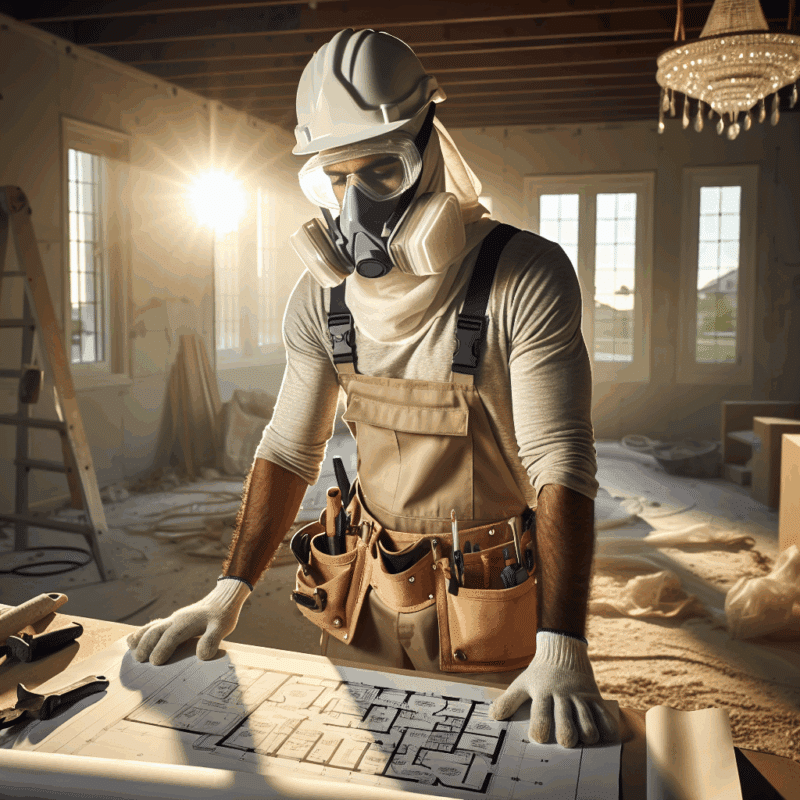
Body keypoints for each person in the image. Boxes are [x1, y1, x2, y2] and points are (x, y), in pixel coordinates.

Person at [127, 28, 619, 750]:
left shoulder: (524, 276)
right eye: (334, 176)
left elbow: (561, 462)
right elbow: (289, 448)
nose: (355, 205)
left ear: (431, 150)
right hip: (367, 591)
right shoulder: (321, 298)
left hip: (490, 599)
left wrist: (562, 647)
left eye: (381, 171)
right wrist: (228, 591)